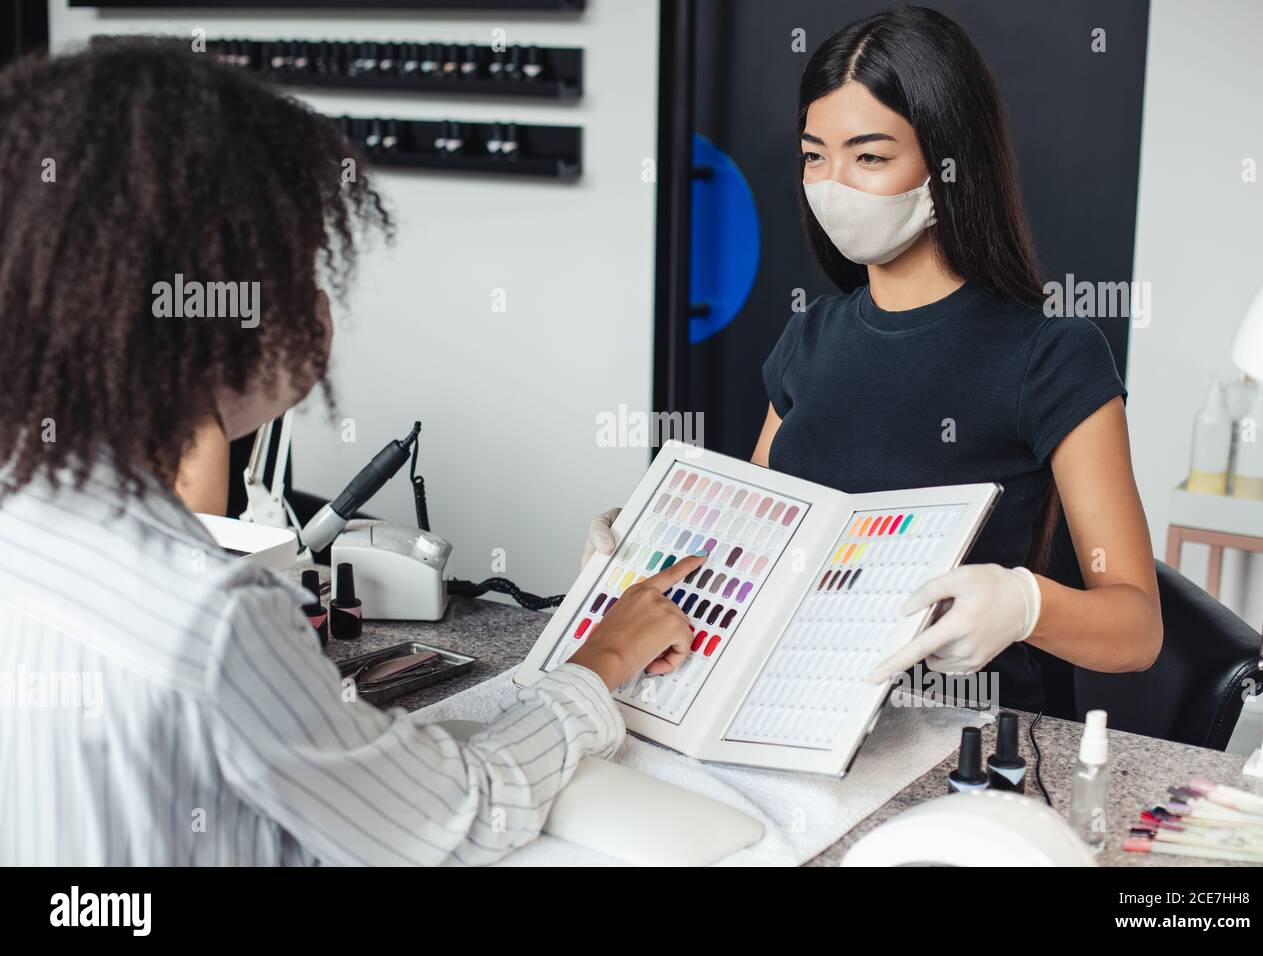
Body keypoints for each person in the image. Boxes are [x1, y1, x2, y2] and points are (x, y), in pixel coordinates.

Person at [0, 40, 702, 865]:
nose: (319, 303)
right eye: (297, 269)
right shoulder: (215, 622)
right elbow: (463, 816)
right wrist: (602, 660)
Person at [588, 7, 1162, 710]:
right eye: (813, 155)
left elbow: (1137, 630)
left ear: (951, 162)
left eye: (869, 156)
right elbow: (752, 550)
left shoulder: (1053, 354)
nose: (833, 184)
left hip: (958, 738)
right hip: (789, 705)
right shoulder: (810, 336)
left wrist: (1025, 602)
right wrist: (645, 554)